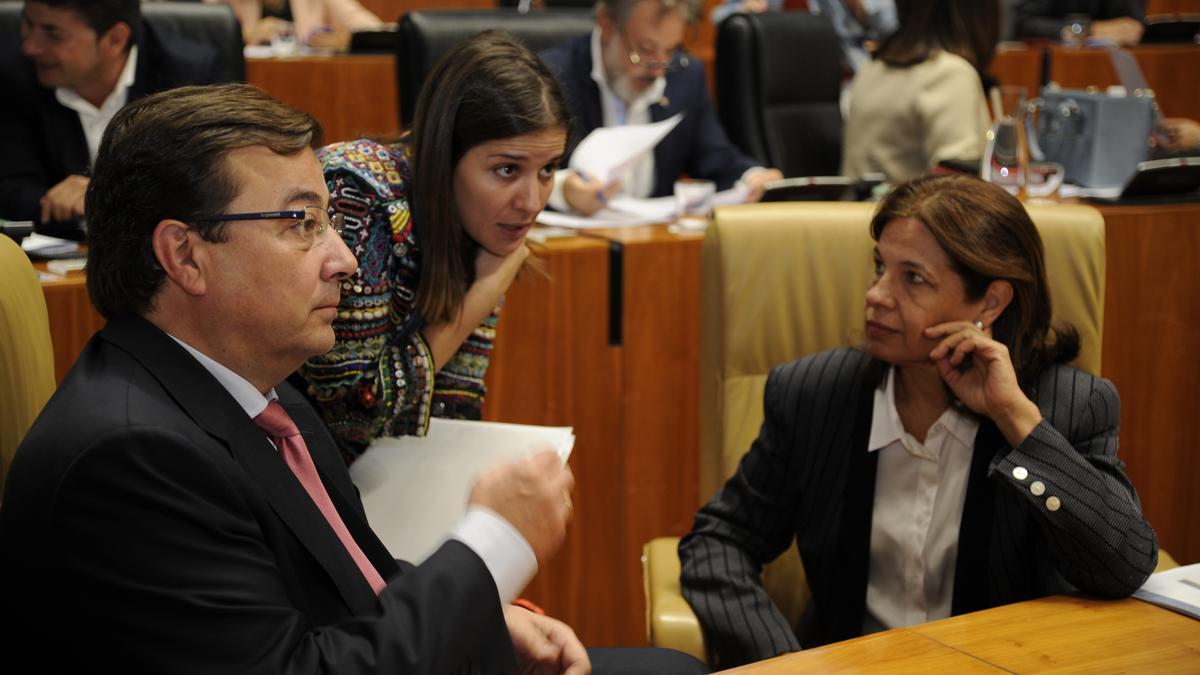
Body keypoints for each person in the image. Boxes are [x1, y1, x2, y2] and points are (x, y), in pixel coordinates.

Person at [1, 81, 579, 672]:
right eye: (302, 222)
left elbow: (350, 587)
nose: (345, 260)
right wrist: (491, 547)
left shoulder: (265, 401)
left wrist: (482, 616)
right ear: (185, 255)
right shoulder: (130, 458)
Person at [678, 174, 1159, 668]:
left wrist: (1017, 422)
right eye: (880, 268)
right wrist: (785, 662)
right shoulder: (815, 396)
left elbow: (1125, 565)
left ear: (990, 303)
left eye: (913, 278)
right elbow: (718, 543)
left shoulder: (1067, 406)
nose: (877, 295)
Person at [293, 31, 565, 461]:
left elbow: (453, 399)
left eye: (548, 169)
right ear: (445, 152)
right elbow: (352, 416)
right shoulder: (360, 193)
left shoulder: (482, 223)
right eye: (508, 169)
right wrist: (484, 293)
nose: (531, 202)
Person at [540, 0, 783, 216]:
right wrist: (565, 191)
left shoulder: (685, 76)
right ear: (607, 25)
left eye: (670, 51)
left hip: (655, 243)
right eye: (645, 50)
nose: (658, 69)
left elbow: (716, 157)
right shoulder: (551, 77)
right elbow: (523, 173)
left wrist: (753, 178)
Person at [0, 0, 224, 226]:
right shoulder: (15, 75)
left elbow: (204, 186)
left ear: (115, 39)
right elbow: (12, 190)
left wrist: (100, 196)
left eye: (53, 35)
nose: (30, 47)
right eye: (27, 24)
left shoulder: (188, 80)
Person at [840, 0, 997, 184]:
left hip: (854, 210)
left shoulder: (870, 69)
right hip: (907, 210)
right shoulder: (950, 74)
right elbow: (957, 189)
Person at [709, 0, 897, 75]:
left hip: (847, 76)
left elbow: (893, 25)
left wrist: (857, 6)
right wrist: (745, 10)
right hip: (782, 74)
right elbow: (720, 17)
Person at [207, 0, 382, 50]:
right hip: (245, 88)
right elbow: (200, 39)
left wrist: (349, 41)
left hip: (309, 82)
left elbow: (376, 30)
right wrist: (244, 36)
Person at [1013, 0, 1145, 46]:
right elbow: (1025, 23)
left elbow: (1133, 27)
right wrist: (1087, 30)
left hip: (1113, 67)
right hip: (1060, 66)